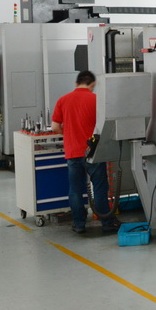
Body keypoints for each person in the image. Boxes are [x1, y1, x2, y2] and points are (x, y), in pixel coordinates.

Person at [51, 70, 118, 235]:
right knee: (100, 188)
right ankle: (107, 222)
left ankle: (79, 224)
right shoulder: (97, 100)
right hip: (93, 152)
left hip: (72, 151)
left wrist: (69, 134)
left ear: (76, 83)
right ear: (92, 84)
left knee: (75, 189)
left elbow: (54, 127)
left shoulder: (63, 100)